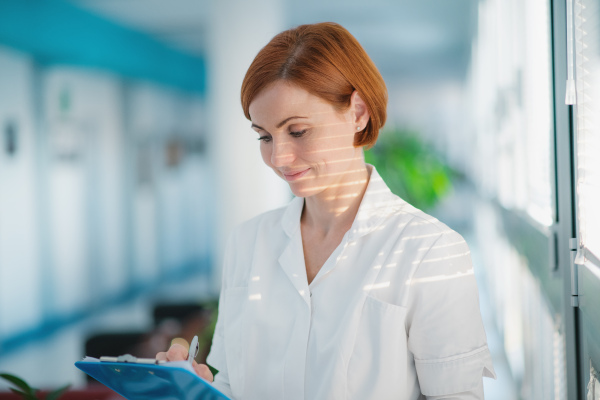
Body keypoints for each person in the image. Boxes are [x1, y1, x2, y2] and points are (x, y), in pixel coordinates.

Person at [157, 22, 496, 399]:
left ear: (358, 113)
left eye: (298, 131)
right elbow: (232, 385)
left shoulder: (429, 251)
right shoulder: (248, 242)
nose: (279, 158)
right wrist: (197, 389)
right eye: (265, 137)